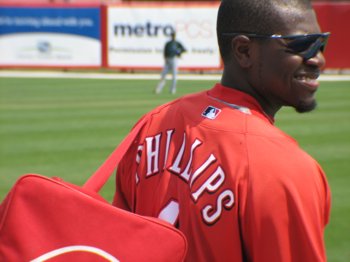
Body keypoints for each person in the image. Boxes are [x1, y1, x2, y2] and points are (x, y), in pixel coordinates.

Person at [113, 0, 331, 261]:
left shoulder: (150, 126)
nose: (319, 59)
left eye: (321, 43)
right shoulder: (286, 169)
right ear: (244, 51)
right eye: (303, 44)